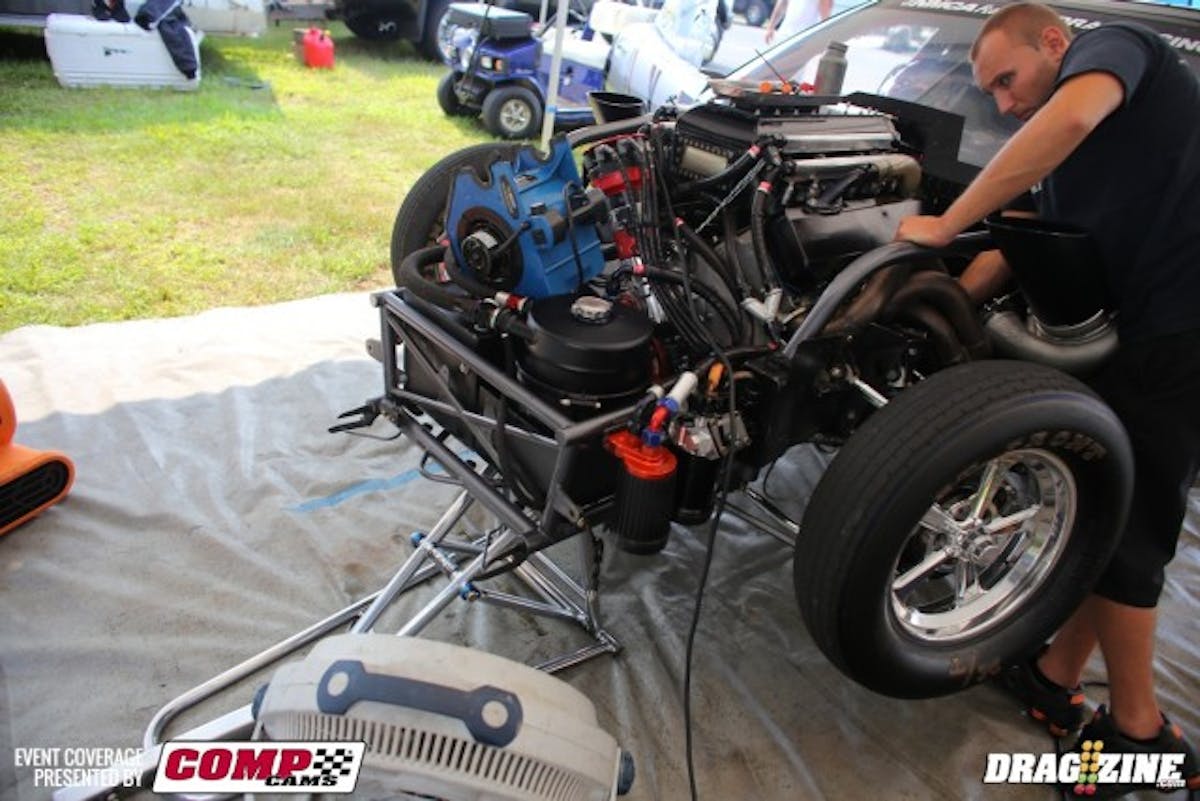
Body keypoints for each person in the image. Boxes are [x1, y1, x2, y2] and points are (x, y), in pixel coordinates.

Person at [894, 3, 1200, 797]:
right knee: (1106, 504)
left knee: (1136, 525)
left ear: (1055, 44)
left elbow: (1067, 116)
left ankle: (1138, 730)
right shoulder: (1057, 160)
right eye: (987, 90)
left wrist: (945, 219)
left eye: (1007, 78)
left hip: (1184, 329)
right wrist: (920, 311)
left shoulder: (1115, 47)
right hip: (1136, 329)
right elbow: (1009, 244)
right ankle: (1055, 670)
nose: (1002, 103)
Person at [764, 0, 831, 44]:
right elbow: (782, 4)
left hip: (804, 39)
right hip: (784, 34)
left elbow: (825, 16)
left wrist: (825, 39)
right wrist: (770, 27)